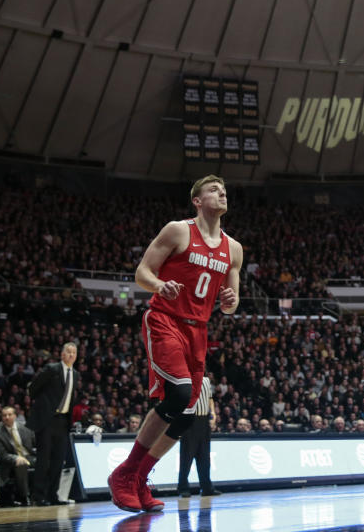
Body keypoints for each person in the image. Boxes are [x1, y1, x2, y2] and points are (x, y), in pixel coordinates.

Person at [108, 175, 243, 512]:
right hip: (165, 319)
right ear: (196, 200)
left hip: (199, 330)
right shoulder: (178, 230)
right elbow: (143, 273)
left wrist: (228, 300)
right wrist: (159, 285)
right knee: (180, 393)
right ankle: (124, 474)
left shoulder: (234, 249)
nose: (221, 193)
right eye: (213, 189)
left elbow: (233, 302)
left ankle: (140, 477)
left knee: (187, 415)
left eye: (224, 190)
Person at [28, 341, 78, 506]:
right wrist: (43, 408)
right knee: (44, 459)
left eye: (74, 352)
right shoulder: (52, 369)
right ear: (62, 354)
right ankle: (38, 495)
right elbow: (33, 389)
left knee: (58, 460)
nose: (71, 355)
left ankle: (53, 495)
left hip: (63, 421)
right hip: (47, 420)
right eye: (68, 352)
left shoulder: (75, 374)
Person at [177, 376, 220, 498]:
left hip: (204, 420)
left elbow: (210, 399)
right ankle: (183, 488)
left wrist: (213, 413)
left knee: (205, 457)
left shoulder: (206, 380)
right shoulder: (183, 379)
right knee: (187, 456)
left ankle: (207, 487)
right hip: (189, 419)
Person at [0, 406, 36, 506]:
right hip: (11, 461)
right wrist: (16, 458)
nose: (7, 417)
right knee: (21, 464)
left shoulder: (26, 428)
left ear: (15, 416)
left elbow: (35, 444)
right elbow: (2, 455)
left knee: (44, 461)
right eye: (4, 415)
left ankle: (43, 494)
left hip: (29, 456)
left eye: (9, 415)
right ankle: (24, 496)